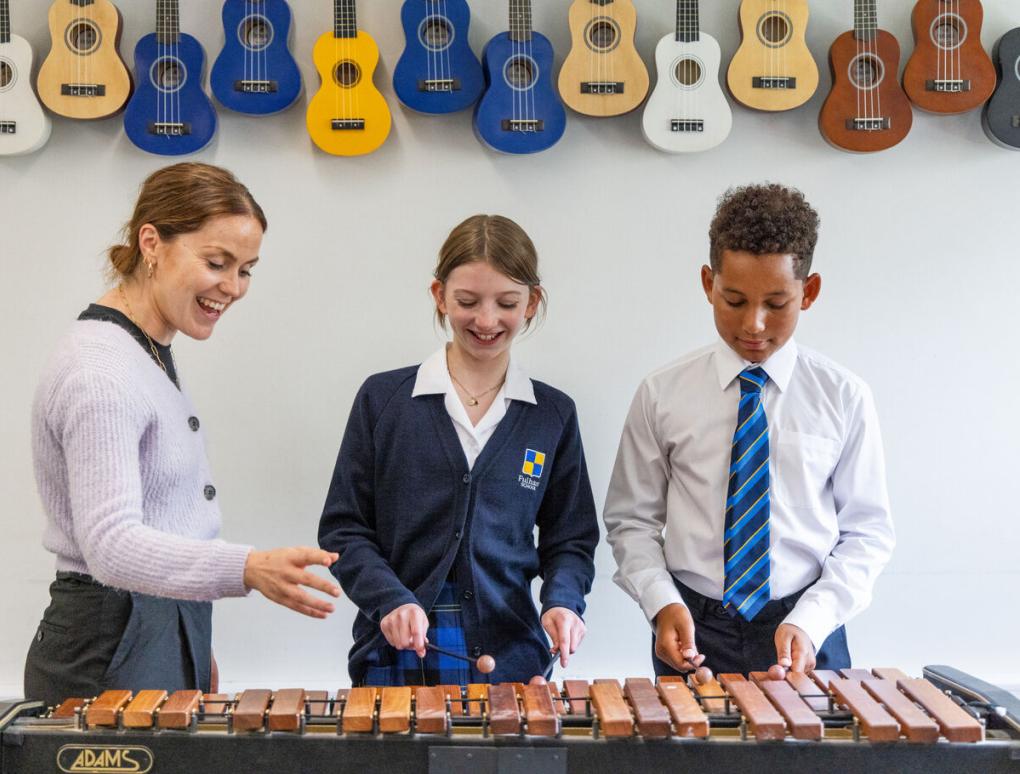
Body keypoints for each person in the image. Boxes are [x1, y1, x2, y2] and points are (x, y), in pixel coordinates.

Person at [25, 163, 340, 708]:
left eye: (246, 270)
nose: (233, 288)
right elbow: (110, 545)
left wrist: (189, 633)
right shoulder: (100, 369)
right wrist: (246, 568)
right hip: (108, 639)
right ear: (151, 243)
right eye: (217, 263)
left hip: (154, 623)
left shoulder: (144, 347)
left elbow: (163, 513)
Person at [603, 183, 895, 677]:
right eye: (734, 300)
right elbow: (631, 521)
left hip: (807, 626)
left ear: (809, 292)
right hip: (692, 625)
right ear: (707, 283)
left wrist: (813, 618)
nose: (754, 324)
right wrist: (659, 602)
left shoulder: (844, 396)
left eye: (776, 304)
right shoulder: (661, 393)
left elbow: (867, 531)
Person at [319, 214, 598, 686]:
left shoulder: (552, 415)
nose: (486, 320)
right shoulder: (383, 401)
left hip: (512, 662)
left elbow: (570, 540)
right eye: (468, 302)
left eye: (507, 303)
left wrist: (563, 603)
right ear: (439, 295)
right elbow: (344, 529)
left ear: (532, 302)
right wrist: (390, 599)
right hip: (396, 657)